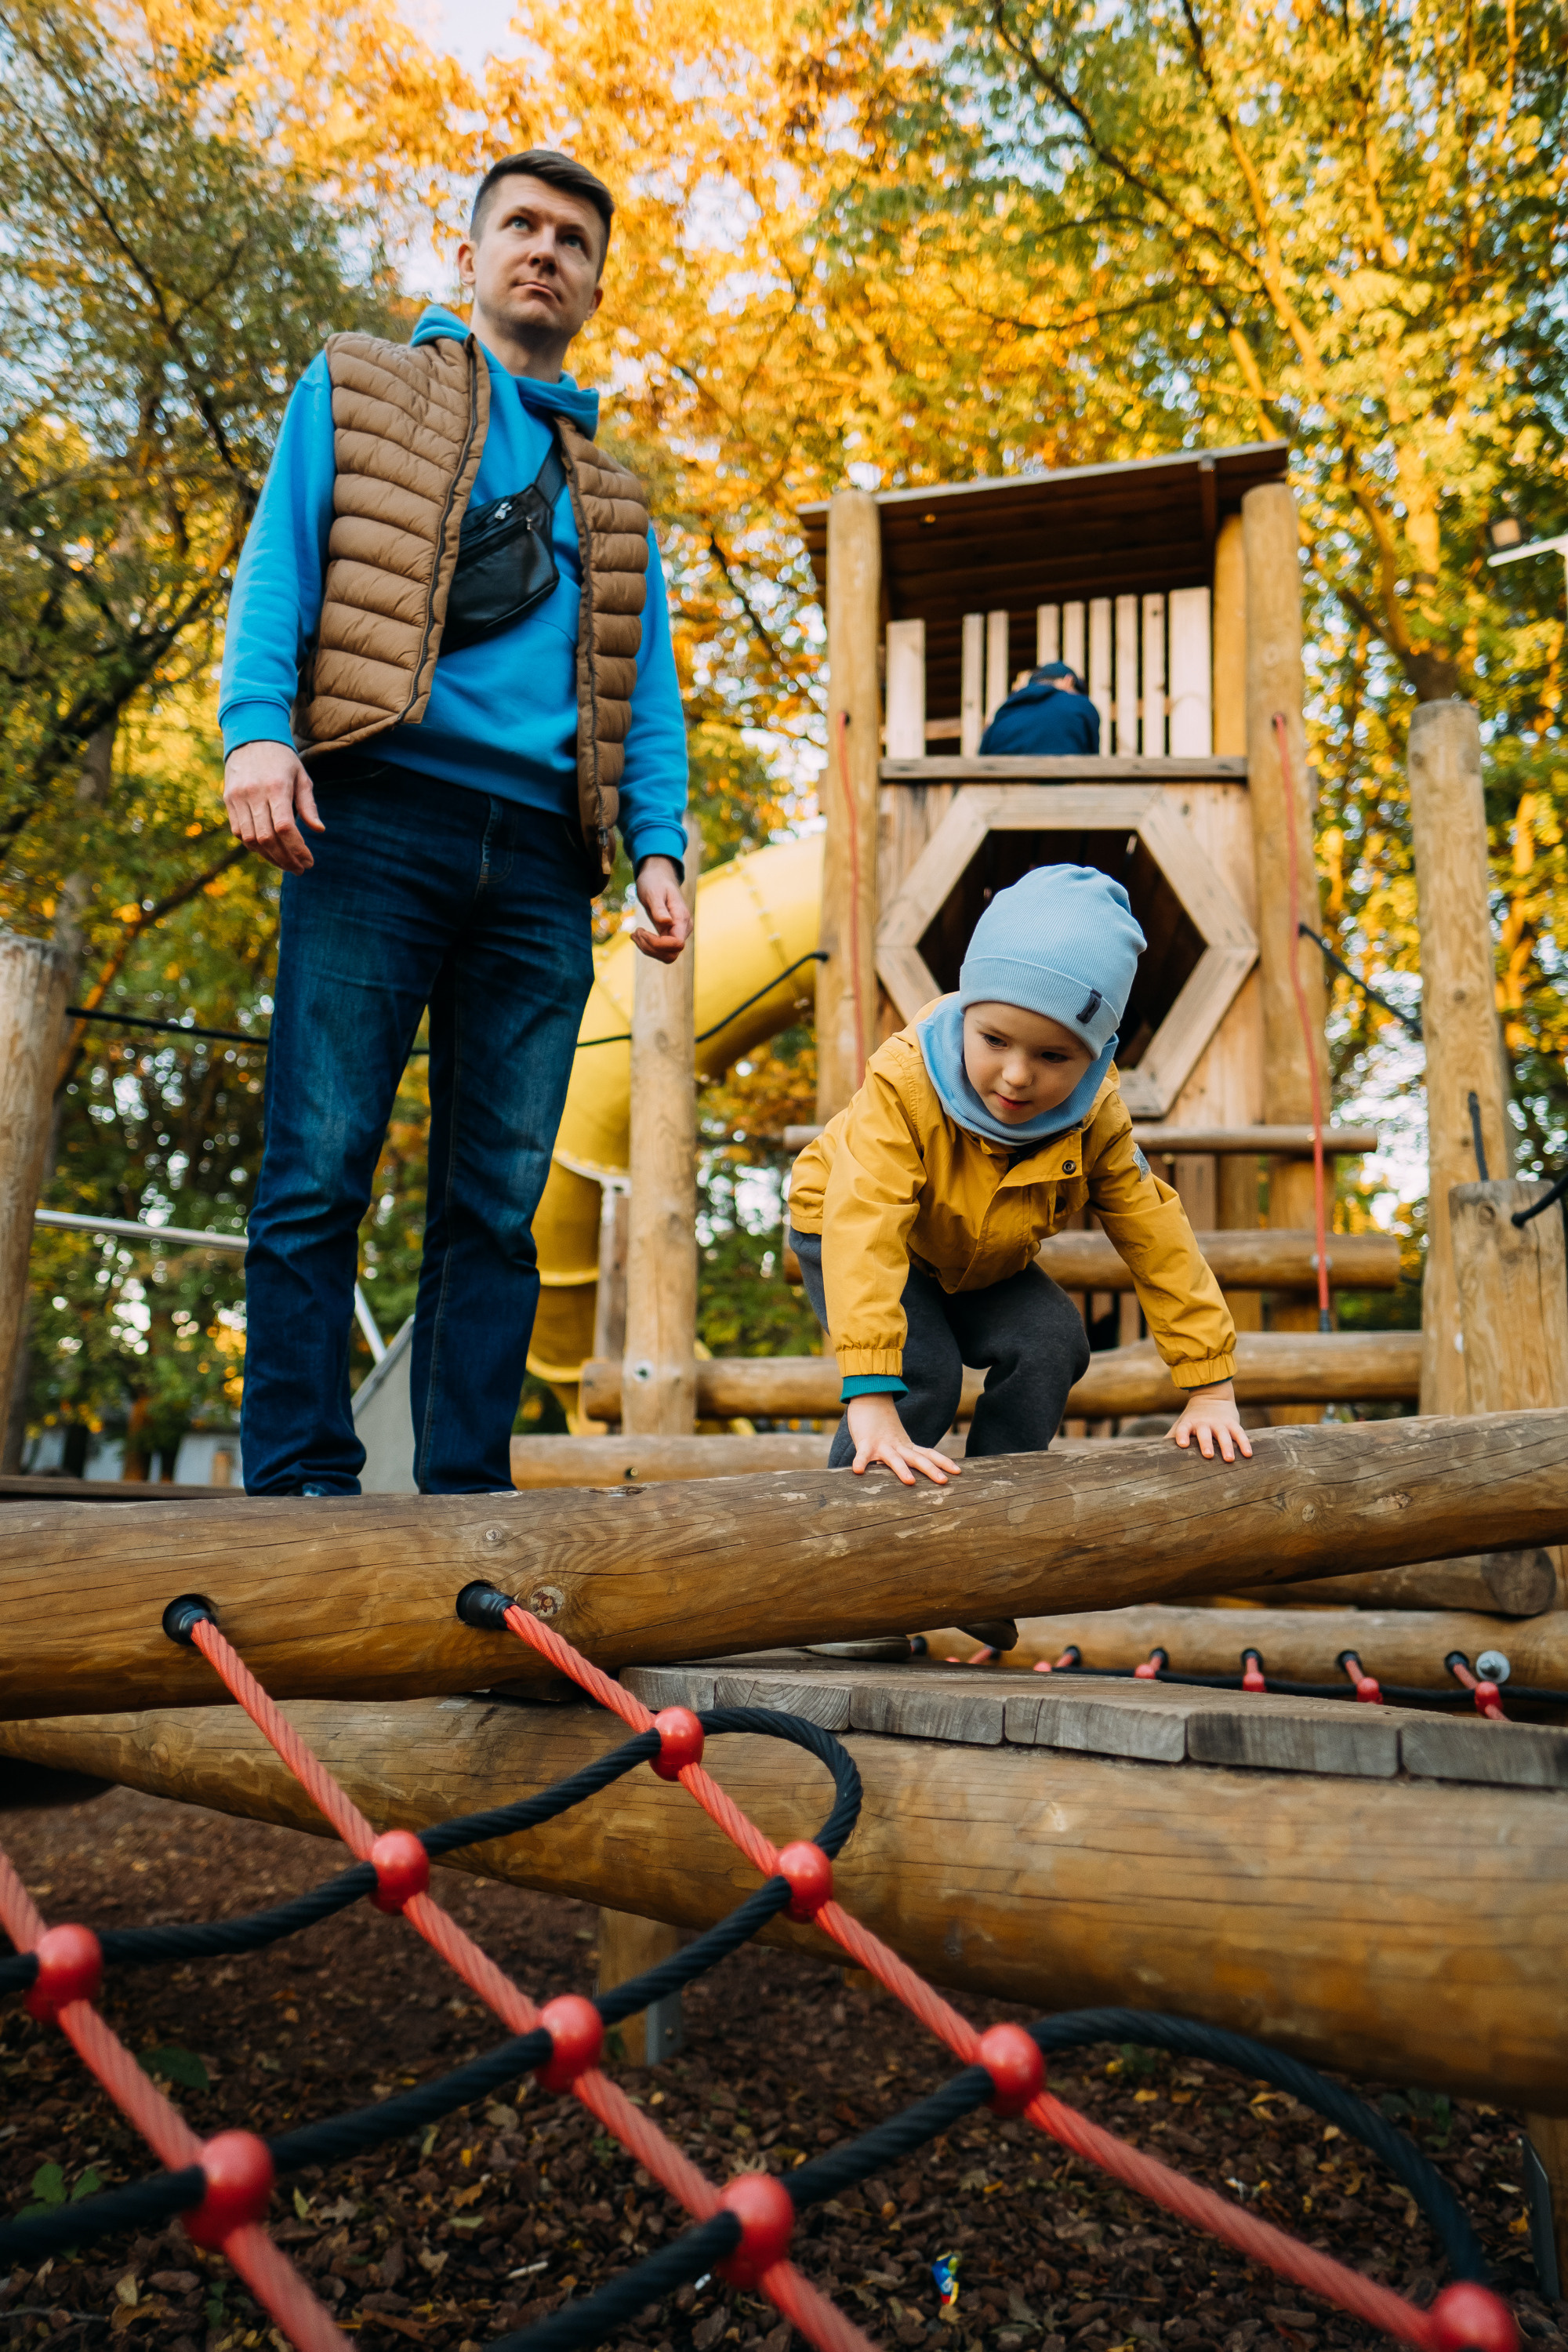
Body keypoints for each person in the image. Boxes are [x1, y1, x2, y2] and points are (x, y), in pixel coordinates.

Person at [218, 150, 691, 1497]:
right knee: (317, 1169)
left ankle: (467, 1503)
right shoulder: (358, 385)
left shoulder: (614, 493)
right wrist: (258, 729)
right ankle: (302, 1490)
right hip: (372, 816)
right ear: (472, 255)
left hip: (545, 861)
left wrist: (655, 842)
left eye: (574, 241)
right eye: (522, 228)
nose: (547, 251)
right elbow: (281, 565)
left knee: (497, 1205)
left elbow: (641, 690)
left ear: (595, 286)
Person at [787, 864, 1248, 1621]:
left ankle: (986, 1552)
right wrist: (871, 1393)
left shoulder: (1094, 1117)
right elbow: (864, 1223)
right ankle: (837, 1581)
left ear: (1095, 1055)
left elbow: (1158, 1235)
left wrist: (1210, 1386)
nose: (1015, 1073)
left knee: (1050, 1336)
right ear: (966, 1010)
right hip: (855, 1230)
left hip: (977, 1255)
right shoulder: (904, 1086)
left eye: (1053, 1056)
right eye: (994, 1038)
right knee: (923, 1370)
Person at [978, 661, 1100, 757]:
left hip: (1002, 788)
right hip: (1062, 786)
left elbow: (983, 755)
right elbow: (1091, 757)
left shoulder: (1004, 710)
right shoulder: (1081, 704)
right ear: (1069, 681)